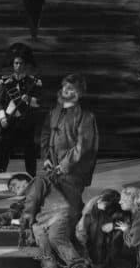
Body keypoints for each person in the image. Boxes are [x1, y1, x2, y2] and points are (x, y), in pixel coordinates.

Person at [21, 171, 96, 268]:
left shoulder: (37, 181)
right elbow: (26, 206)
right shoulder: (28, 197)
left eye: (15, 184)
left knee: (55, 237)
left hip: (57, 214)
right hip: (45, 220)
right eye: (11, 188)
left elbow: (31, 202)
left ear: (26, 181)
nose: (13, 188)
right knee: (41, 235)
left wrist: (25, 221)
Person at [40, 73, 99, 216]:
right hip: (53, 167)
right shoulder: (54, 111)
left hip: (73, 171)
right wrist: (46, 158)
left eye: (71, 88)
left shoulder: (85, 116)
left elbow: (83, 147)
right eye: (64, 86)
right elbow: (46, 134)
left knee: (71, 206)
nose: (66, 90)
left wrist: (64, 165)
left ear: (79, 93)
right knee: (54, 203)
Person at [0, 42, 43, 175]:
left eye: (21, 63)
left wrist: (29, 100)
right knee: (4, 150)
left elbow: (40, 102)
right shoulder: (5, 82)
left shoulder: (34, 82)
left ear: (25, 64)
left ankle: (32, 177)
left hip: (26, 122)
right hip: (9, 121)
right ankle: (1, 174)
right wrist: (2, 119)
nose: (18, 66)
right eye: (16, 63)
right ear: (13, 64)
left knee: (30, 152)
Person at [74, 189, 135, 268]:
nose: (99, 202)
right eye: (101, 200)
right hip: (93, 246)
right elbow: (81, 232)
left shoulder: (119, 209)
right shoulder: (91, 210)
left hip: (112, 247)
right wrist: (84, 255)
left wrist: (113, 225)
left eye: (104, 202)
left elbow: (128, 224)